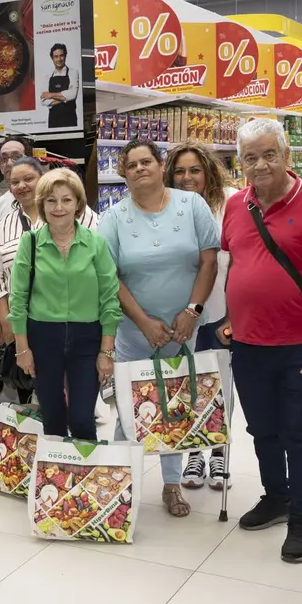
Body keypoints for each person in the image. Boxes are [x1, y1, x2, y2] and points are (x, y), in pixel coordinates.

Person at [220, 118, 302, 564]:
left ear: (287, 156)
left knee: (298, 433)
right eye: (250, 157)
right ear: (241, 164)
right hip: (248, 344)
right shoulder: (236, 206)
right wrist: (231, 317)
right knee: (261, 428)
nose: (261, 164)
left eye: (270, 154)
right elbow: (238, 265)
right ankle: (276, 496)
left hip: (297, 344)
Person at [100, 140, 218, 517]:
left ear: (160, 164)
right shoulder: (113, 217)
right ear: (123, 172)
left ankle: (171, 485)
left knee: (174, 405)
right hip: (135, 333)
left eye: (146, 161)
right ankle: (118, 482)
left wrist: (192, 311)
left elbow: (208, 261)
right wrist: (143, 322)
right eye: (131, 165)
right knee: (129, 408)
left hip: (183, 330)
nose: (139, 169)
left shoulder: (191, 204)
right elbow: (109, 278)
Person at [9, 169, 121, 440]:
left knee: (83, 418)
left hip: (87, 338)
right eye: (51, 201)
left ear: (78, 204)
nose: (59, 207)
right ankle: (58, 478)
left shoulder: (95, 243)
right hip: (43, 337)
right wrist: (22, 348)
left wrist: (106, 351)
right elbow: (18, 298)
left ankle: (88, 477)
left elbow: (109, 298)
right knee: (53, 418)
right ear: (42, 205)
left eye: (66, 200)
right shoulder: (30, 243)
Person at [0, 156, 99, 402]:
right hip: (26, 326)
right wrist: (7, 322)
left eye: (29, 179)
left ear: (43, 179)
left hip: (75, 320)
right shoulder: (3, 226)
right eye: (15, 182)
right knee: (35, 393)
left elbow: (101, 263)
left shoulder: (79, 214)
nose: (22, 186)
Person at [165, 142, 238, 491]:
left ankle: (219, 451)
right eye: (179, 171)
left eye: (194, 169)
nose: (187, 177)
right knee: (188, 385)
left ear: (208, 170)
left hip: (222, 312)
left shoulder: (232, 202)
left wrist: (236, 316)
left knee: (220, 385)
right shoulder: (165, 206)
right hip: (181, 316)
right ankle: (195, 450)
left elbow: (242, 262)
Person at [0, 135, 35, 225]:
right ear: (0, 166)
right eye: (4, 159)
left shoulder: (46, 200)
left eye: (16, 157)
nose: (9, 163)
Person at [40, 43, 80, 129]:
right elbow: (43, 101)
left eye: (61, 56)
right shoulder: (47, 77)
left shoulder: (73, 72)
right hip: (53, 122)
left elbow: (73, 94)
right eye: (56, 56)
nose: (59, 59)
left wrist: (51, 95)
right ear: (52, 58)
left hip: (70, 121)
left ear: (65, 56)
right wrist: (65, 98)